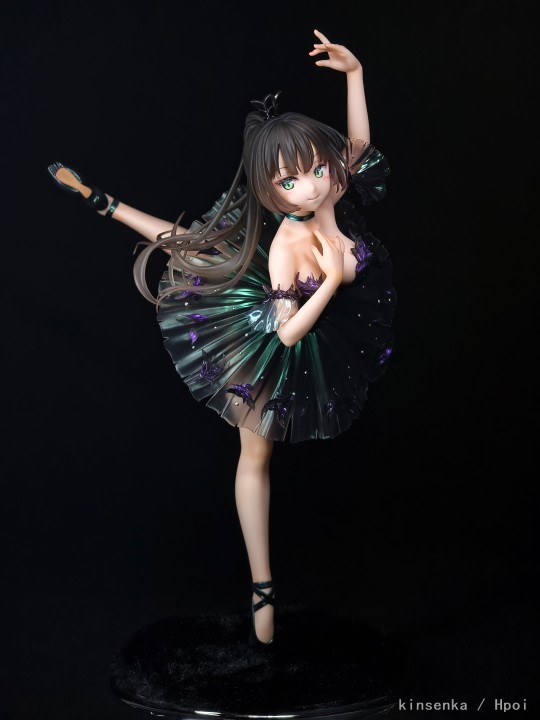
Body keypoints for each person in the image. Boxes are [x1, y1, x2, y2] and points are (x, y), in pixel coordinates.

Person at [47, 29, 396, 649]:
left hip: (326, 317)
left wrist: (354, 73)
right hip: (267, 331)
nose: (314, 187)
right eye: (291, 182)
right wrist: (329, 280)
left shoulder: (334, 184)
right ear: (269, 190)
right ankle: (263, 585)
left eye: (317, 169)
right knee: (254, 450)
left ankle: (105, 201)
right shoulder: (288, 245)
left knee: (199, 244)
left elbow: (358, 146)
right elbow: (286, 334)